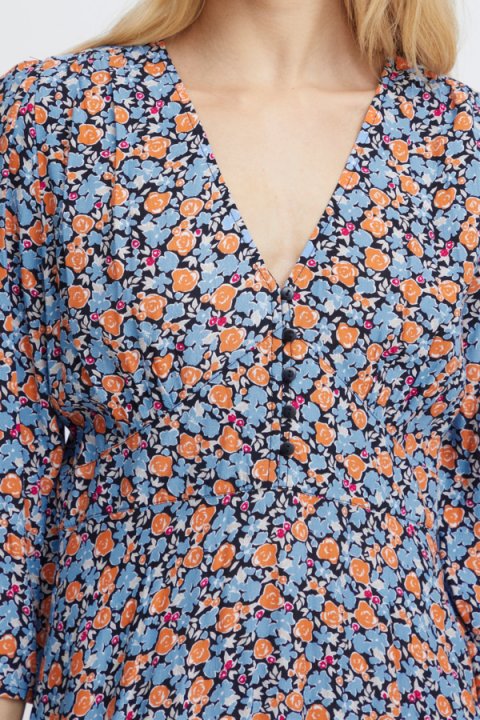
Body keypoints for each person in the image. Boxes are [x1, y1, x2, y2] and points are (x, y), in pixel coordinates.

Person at [1, 0, 480, 718]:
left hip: (407, 689)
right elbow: (12, 444)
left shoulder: (457, 145)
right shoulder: (56, 121)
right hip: (130, 688)